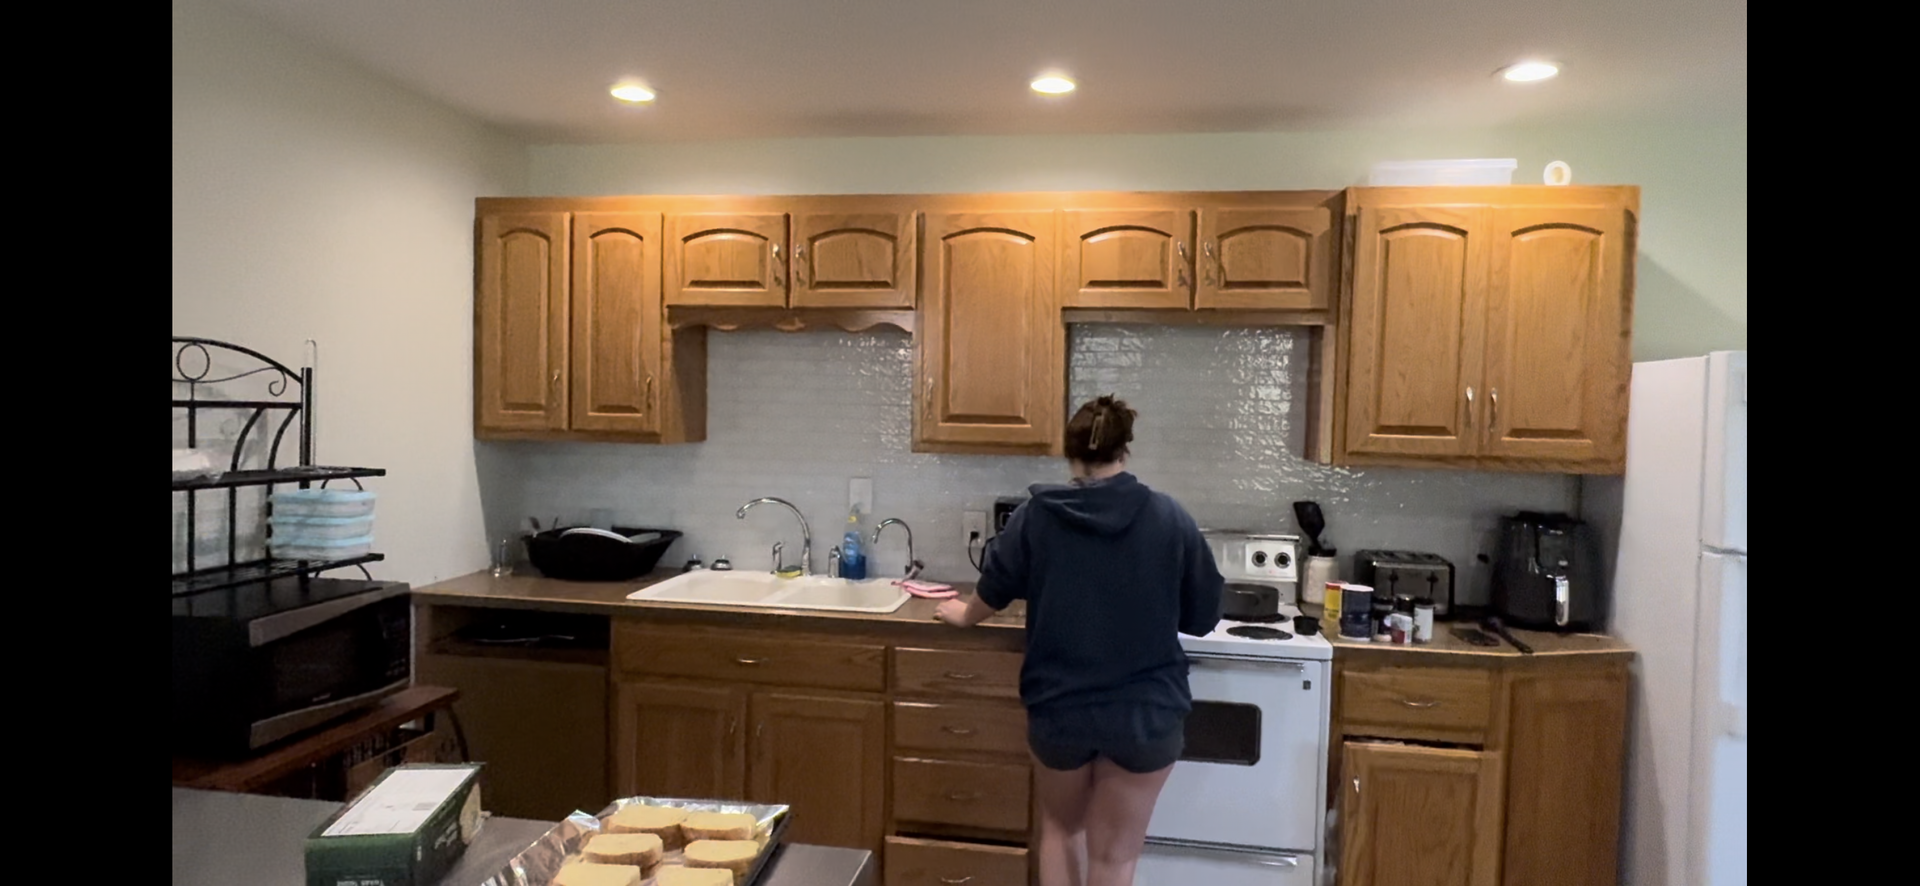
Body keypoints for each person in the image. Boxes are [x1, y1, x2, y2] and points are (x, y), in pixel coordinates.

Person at [934, 395, 1224, 886]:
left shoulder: (1036, 516)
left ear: (1068, 455)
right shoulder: (1170, 518)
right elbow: (1202, 618)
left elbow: (993, 590)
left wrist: (964, 615)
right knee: (1114, 859)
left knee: (1060, 830)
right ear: (1124, 452)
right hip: (1144, 712)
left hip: (1060, 709)